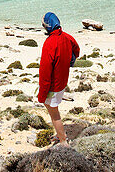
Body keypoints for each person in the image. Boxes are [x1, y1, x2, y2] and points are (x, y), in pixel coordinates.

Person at [38, 11, 81, 145]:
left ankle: (63, 140)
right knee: (52, 108)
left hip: (53, 84)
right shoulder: (67, 37)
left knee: (54, 113)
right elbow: (77, 51)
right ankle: (60, 134)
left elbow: (45, 72)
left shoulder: (49, 43)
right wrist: (69, 61)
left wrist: (42, 93)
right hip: (63, 80)